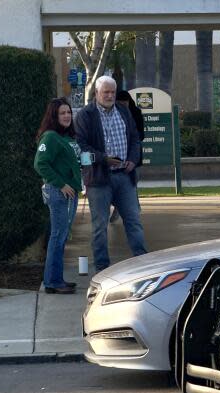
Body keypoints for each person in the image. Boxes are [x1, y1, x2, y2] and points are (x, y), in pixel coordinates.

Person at [75, 76, 147, 272]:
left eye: (112, 92)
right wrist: (102, 159)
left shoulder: (124, 111)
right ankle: (102, 267)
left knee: (134, 221)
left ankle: (143, 263)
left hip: (125, 176)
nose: (109, 95)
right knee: (100, 227)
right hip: (99, 179)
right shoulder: (85, 115)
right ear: (96, 93)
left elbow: (135, 139)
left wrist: (133, 159)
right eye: (105, 92)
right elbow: (80, 147)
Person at [33, 98, 82, 294]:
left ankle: (55, 279)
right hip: (58, 193)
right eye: (62, 113)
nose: (67, 116)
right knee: (58, 236)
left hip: (70, 193)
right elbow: (40, 164)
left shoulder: (67, 137)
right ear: (54, 116)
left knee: (61, 236)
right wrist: (61, 184)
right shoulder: (51, 137)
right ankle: (53, 282)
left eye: (68, 112)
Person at [111, 90, 145, 222]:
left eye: (124, 103)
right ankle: (119, 207)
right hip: (117, 157)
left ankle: (134, 210)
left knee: (132, 182)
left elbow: (141, 135)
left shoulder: (135, 113)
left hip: (133, 156)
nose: (122, 105)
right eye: (119, 103)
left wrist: (131, 137)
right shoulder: (113, 113)